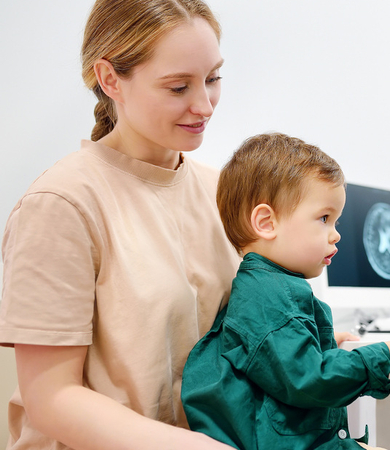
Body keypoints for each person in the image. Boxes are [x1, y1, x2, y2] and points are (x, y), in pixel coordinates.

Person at [0, 1, 242, 449]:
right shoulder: (61, 205)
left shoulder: (222, 192)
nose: (204, 104)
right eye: (177, 87)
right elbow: (52, 398)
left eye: (212, 78)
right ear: (111, 79)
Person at [180, 132, 390, 450]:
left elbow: (275, 357)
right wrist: (388, 356)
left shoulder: (265, 289)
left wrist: (322, 342)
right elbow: (307, 379)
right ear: (266, 222)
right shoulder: (272, 297)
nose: (336, 235)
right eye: (324, 218)